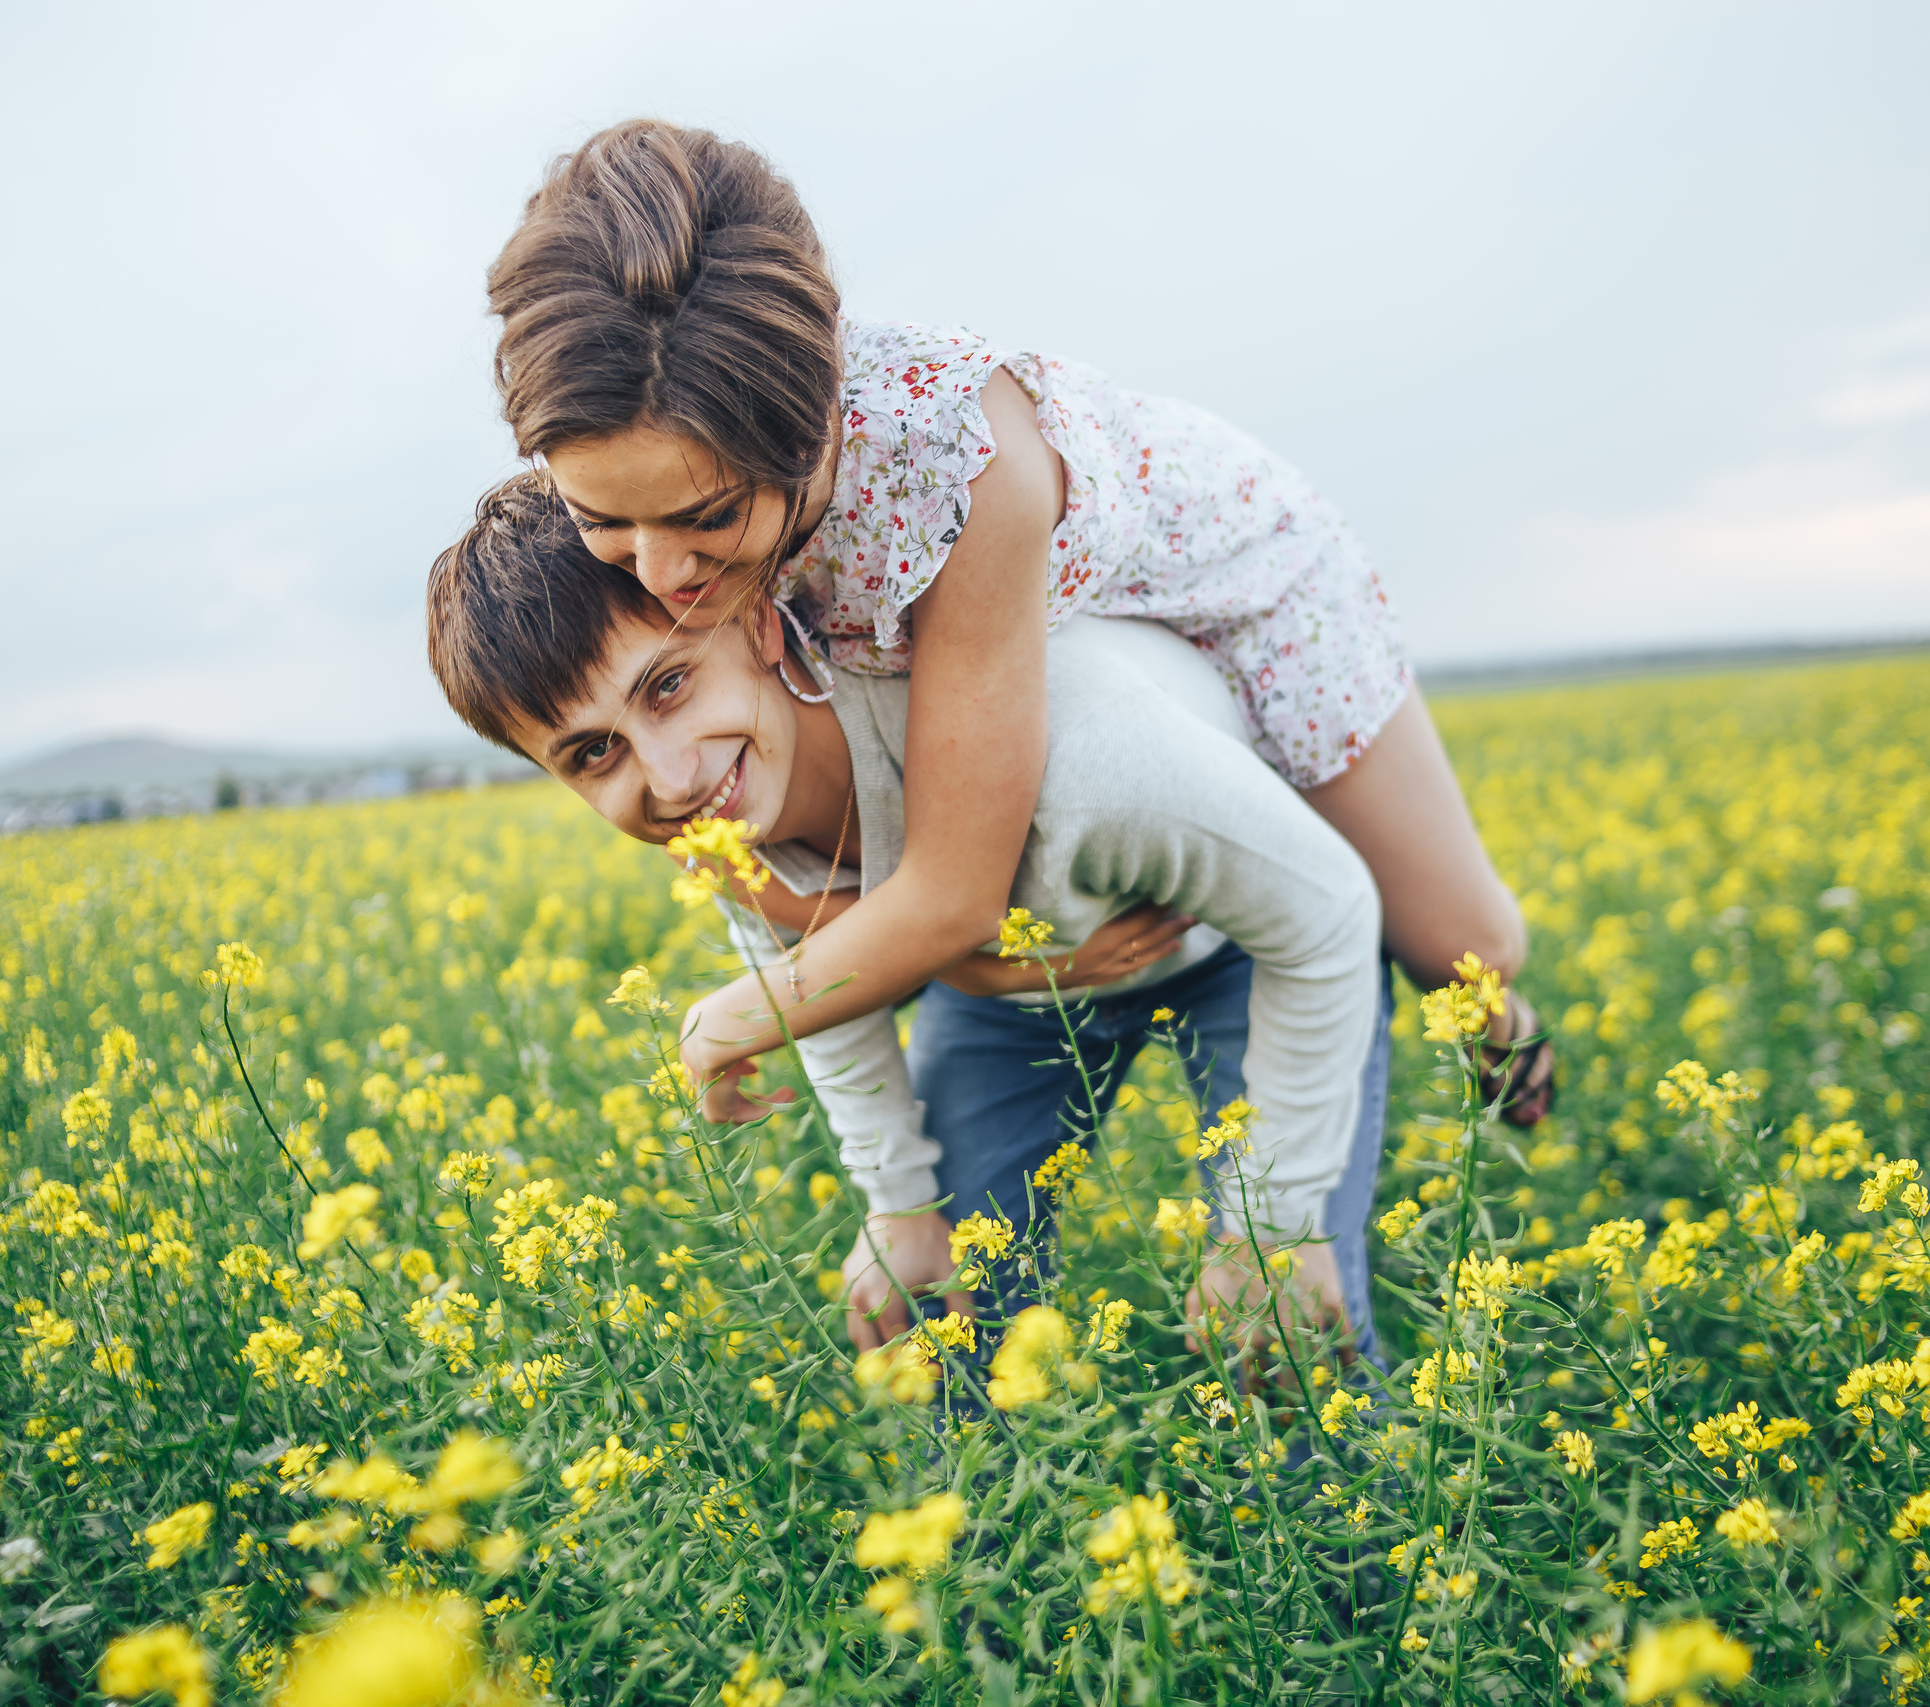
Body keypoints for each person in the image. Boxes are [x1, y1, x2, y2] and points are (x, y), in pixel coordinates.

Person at [482, 118, 1554, 1132]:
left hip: (1241, 588)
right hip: (1074, 653)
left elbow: (952, 889)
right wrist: (962, 963)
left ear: (812, 422)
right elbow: (760, 855)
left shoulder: (965, 466)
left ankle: (1484, 1021)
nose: (663, 574)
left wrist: (738, 1018)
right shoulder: (642, 438)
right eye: (601, 520)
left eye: (709, 518)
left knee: (1460, 947)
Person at [425, 473, 1410, 1363]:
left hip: (1247, 951)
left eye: (670, 685)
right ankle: (987, 1547)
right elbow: (820, 988)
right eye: (593, 755)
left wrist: (1269, 1227)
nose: (671, 777)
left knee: (1282, 1327)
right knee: (940, 1303)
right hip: (1010, 997)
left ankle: (1338, 1544)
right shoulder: (724, 824)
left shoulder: (1089, 750)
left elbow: (1325, 914)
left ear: (759, 624)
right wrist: (897, 1205)